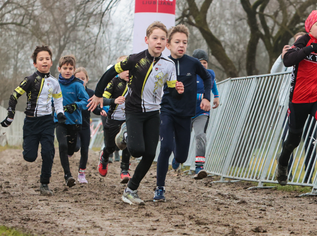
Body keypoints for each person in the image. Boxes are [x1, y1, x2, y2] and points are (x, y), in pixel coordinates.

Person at [88, 21, 184, 205]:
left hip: (153, 113)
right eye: (155, 38)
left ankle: (131, 189)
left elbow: (171, 93)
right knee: (137, 150)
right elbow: (110, 73)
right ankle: (125, 134)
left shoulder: (169, 65)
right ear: (147, 40)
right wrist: (98, 94)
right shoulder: (134, 60)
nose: (158, 42)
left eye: (162, 39)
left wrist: (178, 91)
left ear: (166, 43)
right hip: (133, 111)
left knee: (149, 154)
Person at [275, 10, 317, 186]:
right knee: (294, 140)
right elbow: (288, 60)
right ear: (309, 27)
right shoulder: (303, 41)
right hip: (299, 99)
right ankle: (282, 163)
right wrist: (310, 49)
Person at [154, 26, 212, 201]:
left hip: (186, 114)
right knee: (165, 148)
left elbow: (207, 78)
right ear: (168, 44)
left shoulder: (193, 63)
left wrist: (207, 98)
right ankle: (160, 188)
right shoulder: (161, 63)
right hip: (167, 110)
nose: (181, 45)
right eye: (177, 42)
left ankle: (176, 156)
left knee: (181, 156)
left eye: (184, 42)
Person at [0, 45, 64, 196]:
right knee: (30, 157)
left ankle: (44, 183)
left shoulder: (54, 82)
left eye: (47, 59)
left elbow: (58, 100)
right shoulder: (30, 80)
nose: (44, 61)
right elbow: (14, 96)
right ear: (35, 63)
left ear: (51, 62)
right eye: (41, 59)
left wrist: (60, 113)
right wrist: (10, 115)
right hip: (31, 122)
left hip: (47, 122)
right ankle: (28, 147)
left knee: (48, 152)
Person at [271, 32, 317, 183]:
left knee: (310, 142)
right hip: (288, 106)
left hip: (309, 106)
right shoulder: (289, 58)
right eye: (298, 41)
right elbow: (274, 72)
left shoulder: (313, 57)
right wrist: (282, 56)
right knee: (288, 140)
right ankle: (286, 173)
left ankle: (308, 177)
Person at [55, 55, 90, 187]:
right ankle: (67, 175)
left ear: (74, 70)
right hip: (60, 122)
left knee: (74, 148)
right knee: (63, 146)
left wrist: (75, 105)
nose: (67, 71)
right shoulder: (55, 85)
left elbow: (86, 101)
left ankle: (71, 151)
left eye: (70, 68)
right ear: (59, 69)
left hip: (75, 122)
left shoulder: (77, 85)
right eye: (65, 68)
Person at [97, 56, 131, 183]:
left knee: (128, 143)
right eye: (124, 69)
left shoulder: (135, 83)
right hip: (113, 120)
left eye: (130, 69)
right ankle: (104, 157)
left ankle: (125, 170)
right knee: (111, 147)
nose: (128, 72)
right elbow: (102, 99)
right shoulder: (113, 82)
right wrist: (113, 101)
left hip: (128, 120)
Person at [190, 49, 220, 179]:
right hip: (186, 112)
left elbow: (212, 84)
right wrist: (202, 97)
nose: (203, 65)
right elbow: (187, 94)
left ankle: (199, 167)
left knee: (200, 135)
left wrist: (216, 96)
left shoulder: (210, 74)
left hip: (201, 112)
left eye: (205, 63)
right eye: (200, 63)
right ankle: (177, 159)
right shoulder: (189, 75)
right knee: (182, 139)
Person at [74, 67, 99, 184]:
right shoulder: (71, 92)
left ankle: (81, 173)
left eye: (82, 78)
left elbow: (95, 109)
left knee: (85, 149)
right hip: (73, 125)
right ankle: (70, 150)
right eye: (77, 78)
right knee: (75, 147)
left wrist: (101, 111)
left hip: (85, 125)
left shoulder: (91, 93)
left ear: (87, 80)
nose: (80, 81)